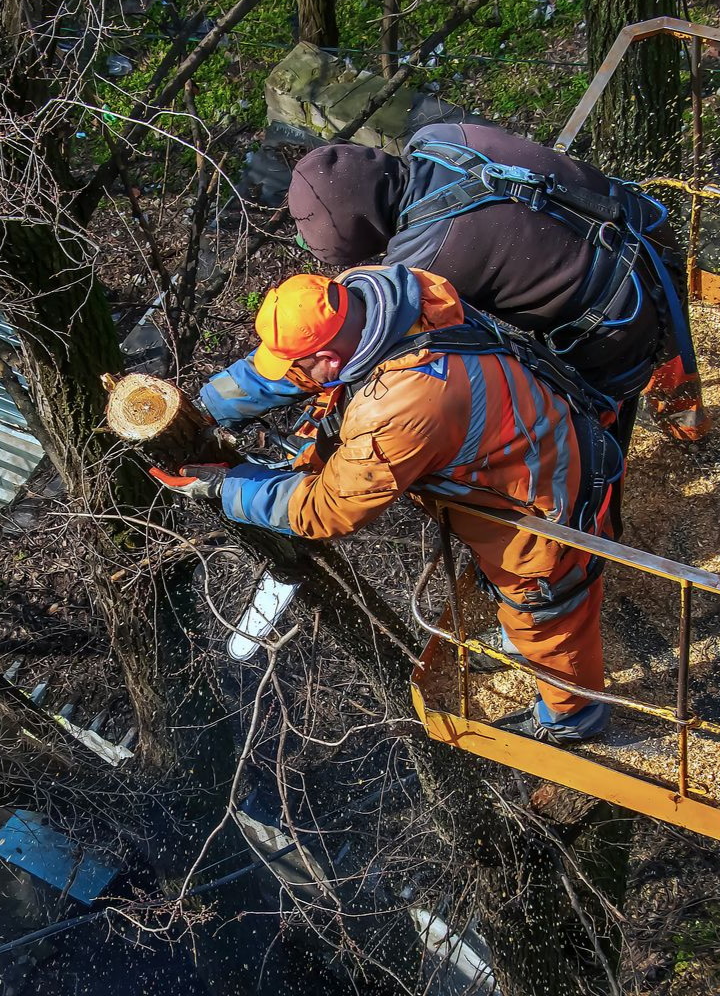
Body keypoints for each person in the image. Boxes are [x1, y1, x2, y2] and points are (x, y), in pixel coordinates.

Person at [151, 264, 624, 747]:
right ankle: (515, 644)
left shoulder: (402, 405)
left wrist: (228, 488)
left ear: (330, 359)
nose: (292, 374)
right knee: (515, 597)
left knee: (544, 609)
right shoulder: (375, 295)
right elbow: (285, 369)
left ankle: (573, 718)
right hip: (529, 430)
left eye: (303, 365)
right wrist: (204, 407)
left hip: (545, 504)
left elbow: (327, 508)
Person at [287, 123, 710, 445]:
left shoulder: (423, 262)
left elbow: (417, 351)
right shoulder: (439, 138)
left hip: (618, 324)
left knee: (588, 426)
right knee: (669, 340)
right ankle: (689, 423)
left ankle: (611, 499)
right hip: (649, 239)